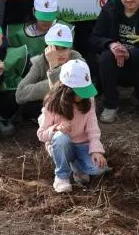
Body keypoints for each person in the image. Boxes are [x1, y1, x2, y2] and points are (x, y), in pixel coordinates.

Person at [37, 59, 108, 193]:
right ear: (67, 88)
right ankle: (62, 176)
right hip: (62, 146)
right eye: (80, 91)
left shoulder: (89, 100)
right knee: (61, 138)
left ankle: (77, 166)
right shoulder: (52, 104)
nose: (84, 95)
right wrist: (56, 128)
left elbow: (93, 128)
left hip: (83, 145)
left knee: (99, 169)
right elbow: (41, 134)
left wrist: (96, 150)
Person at [15, 23, 82, 116]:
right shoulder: (40, 62)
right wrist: (54, 84)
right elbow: (20, 94)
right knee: (30, 106)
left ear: (70, 49)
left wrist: (54, 72)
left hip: (73, 109)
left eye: (64, 48)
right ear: (47, 49)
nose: (60, 53)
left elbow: (78, 89)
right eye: (55, 48)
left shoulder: (76, 59)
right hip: (49, 106)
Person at [6, 0, 71, 57]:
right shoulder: (19, 34)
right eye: (42, 17)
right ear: (34, 11)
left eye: (49, 17)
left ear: (56, 13)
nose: (46, 21)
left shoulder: (66, 30)